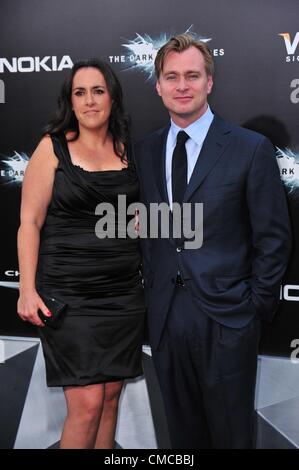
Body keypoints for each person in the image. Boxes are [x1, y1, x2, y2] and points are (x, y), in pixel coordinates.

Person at [134, 34, 291, 449]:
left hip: (228, 318)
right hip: (166, 318)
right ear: (158, 86)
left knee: (231, 437)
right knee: (181, 437)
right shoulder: (144, 151)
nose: (182, 85)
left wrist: (253, 307)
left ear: (209, 82)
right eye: (172, 76)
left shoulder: (249, 148)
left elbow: (273, 238)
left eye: (192, 75)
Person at [17, 59, 145, 449]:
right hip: (69, 296)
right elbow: (29, 224)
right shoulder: (50, 148)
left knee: (109, 398)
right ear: (70, 102)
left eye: (98, 91)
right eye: (80, 92)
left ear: (112, 98)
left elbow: (132, 216)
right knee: (87, 403)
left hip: (122, 296)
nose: (90, 101)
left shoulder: (128, 150)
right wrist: (26, 290)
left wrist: (139, 221)